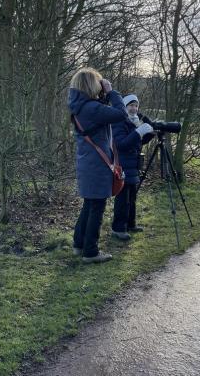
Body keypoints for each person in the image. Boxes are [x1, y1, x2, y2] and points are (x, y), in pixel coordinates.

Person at [68, 67, 128, 263]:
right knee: (97, 206)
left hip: (88, 163)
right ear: (91, 85)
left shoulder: (81, 106)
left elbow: (104, 113)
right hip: (97, 165)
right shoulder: (92, 108)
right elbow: (121, 114)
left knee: (89, 205)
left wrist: (103, 96)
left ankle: (79, 245)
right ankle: (91, 252)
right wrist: (111, 92)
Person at [111, 94, 154, 240]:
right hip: (122, 166)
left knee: (132, 198)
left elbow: (137, 143)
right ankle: (118, 229)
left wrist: (149, 133)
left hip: (133, 165)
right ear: (124, 107)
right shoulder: (119, 122)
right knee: (122, 199)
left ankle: (131, 224)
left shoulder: (135, 121)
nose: (134, 108)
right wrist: (138, 132)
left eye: (136, 105)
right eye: (131, 105)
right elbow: (121, 144)